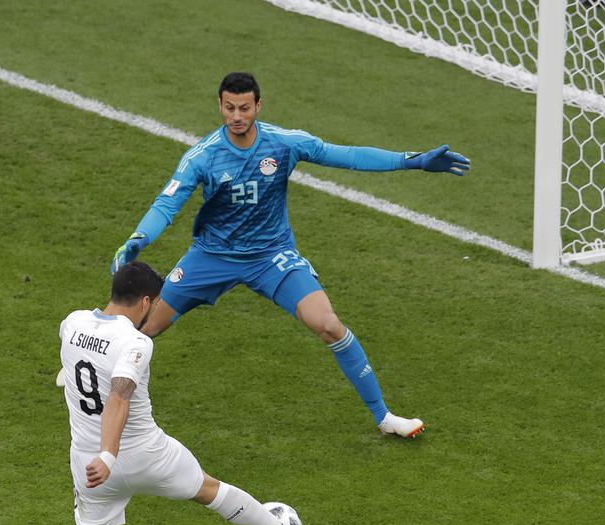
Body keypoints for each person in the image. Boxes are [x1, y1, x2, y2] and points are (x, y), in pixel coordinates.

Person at [112, 71, 472, 438]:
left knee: (328, 324)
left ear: (258, 106)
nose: (237, 116)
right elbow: (167, 204)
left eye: (245, 108)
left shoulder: (283, 143)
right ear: (220, 105)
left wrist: (412, 160)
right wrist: (139, 237)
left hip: (272, 256)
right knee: (144, 327)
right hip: (212, 256)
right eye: (230, 108)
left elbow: (345, 156)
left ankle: (384, 418)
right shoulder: (202, 157)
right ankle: (90, 359)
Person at [38, 262, 317, 525]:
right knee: (208, 490)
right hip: (143, 454)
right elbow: (119, 397)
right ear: (147, 301)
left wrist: (103, 459)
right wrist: (112, 454)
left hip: (87, 465)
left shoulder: (71, 323)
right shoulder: (135, 342)